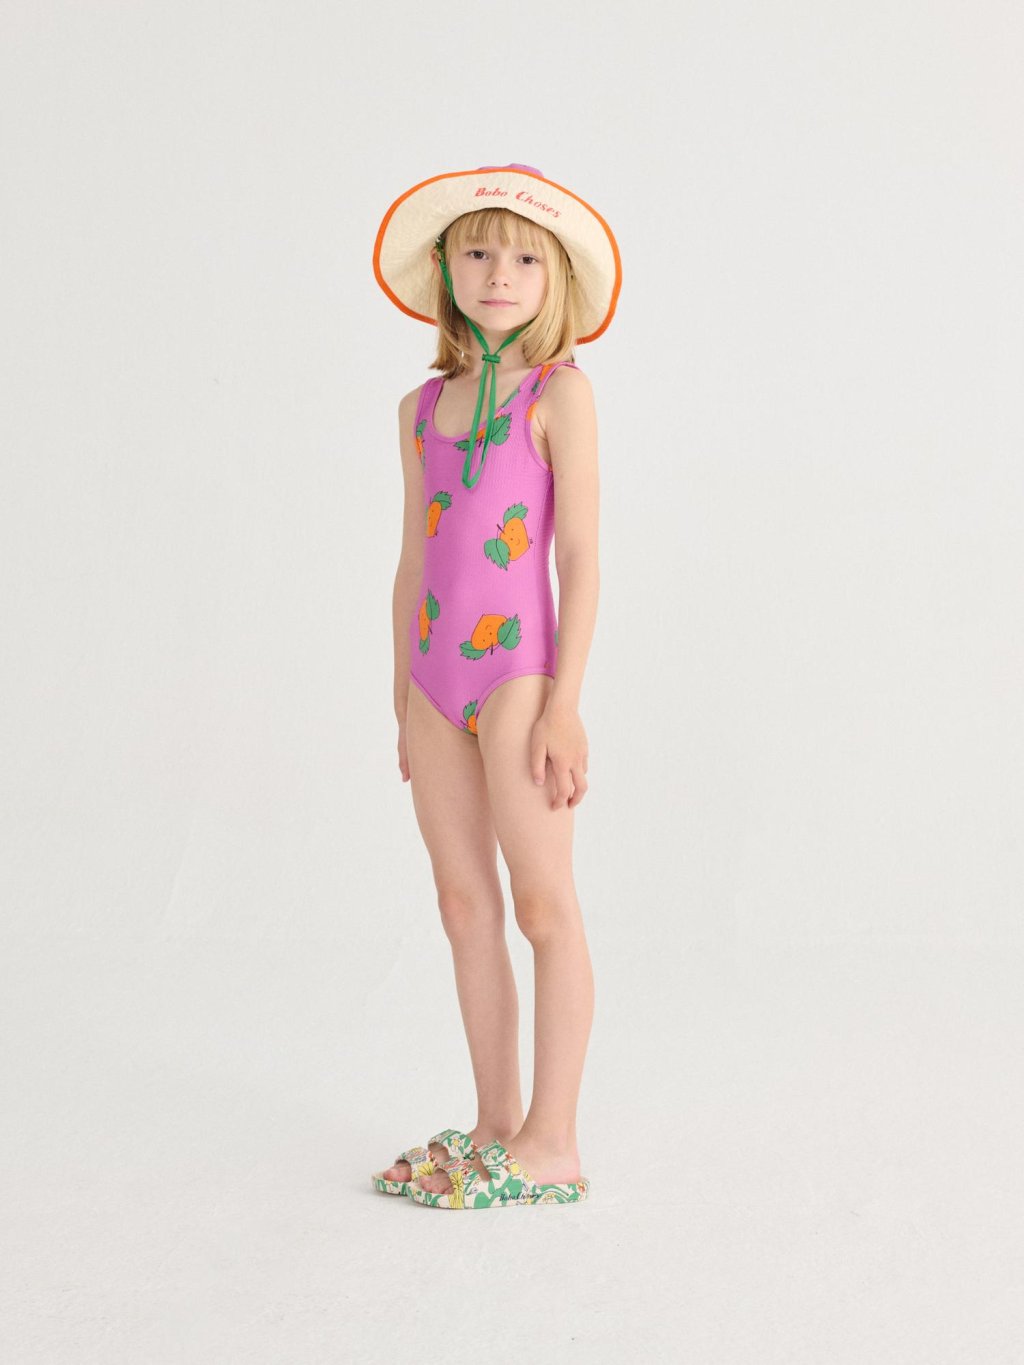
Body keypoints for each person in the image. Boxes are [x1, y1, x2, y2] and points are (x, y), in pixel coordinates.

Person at [369, 163, 621, 1209]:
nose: (498, 273)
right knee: (463, 902)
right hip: (434, 683)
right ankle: (495, 1122)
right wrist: (401, 696)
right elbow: (412, 562)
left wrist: (565, 702)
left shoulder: (560, 394)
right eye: (476, 252)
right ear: (445, 270)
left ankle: (553, 1138)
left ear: (553, 279)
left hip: (518, 677)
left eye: (522, 257)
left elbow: (580, 558)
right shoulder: (420, 407)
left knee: (543, 905)